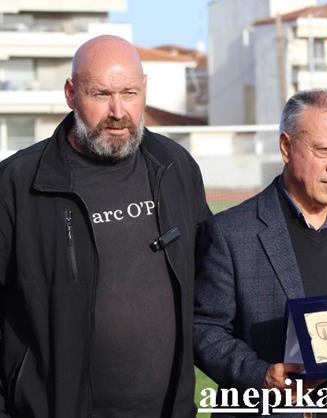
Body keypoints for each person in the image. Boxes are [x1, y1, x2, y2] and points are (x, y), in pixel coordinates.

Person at [0, 35, 211, 417]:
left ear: (144, 89)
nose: (118, 111)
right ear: (71, 93)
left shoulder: (175, 166)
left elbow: (209, 283)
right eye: (100, 94)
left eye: (129, 93)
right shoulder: (16, 183)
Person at [194, 89, 327, 417]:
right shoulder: (231, 232)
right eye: (324, 150)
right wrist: (261, 376)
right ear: (286, 146)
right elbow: (204, 328)